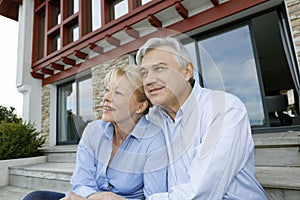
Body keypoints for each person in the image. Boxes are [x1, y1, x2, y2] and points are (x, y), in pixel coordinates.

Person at [136, 37, 267, 199]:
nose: (149, 80)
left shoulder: (224, 109)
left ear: (187, 71)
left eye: (160, 68)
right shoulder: (153, 119)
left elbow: (201, 193)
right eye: (144, 73)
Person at [23, 64, 167, 200]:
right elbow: (81, 182)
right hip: (86, 198)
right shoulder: (93, 131)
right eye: (107, 90)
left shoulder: (154, 140)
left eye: (118, 93)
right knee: (35, 198)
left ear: (140, 106)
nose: (106, 98)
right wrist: (95, 197)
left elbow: (154, 197)